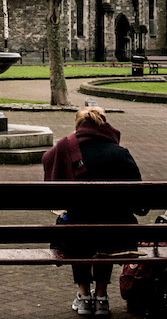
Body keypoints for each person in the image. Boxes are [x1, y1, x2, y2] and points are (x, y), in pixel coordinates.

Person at [43, 106, 142, 316]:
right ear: (105, 125)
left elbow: (48, 166)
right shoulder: (120, 154)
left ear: (78, 128)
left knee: (75, 224)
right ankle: (102, 296)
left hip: (76, 234)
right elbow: (139, 202)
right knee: (105, 228)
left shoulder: (65, 148)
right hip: (117, 234)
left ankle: (84, 296)